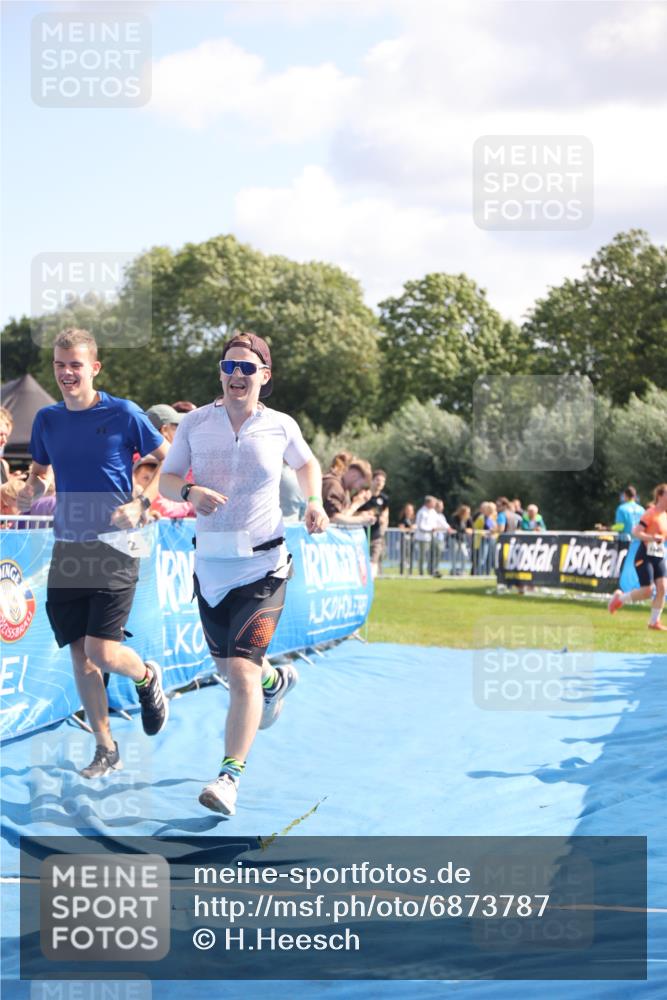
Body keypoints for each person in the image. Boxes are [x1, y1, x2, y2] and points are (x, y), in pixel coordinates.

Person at [159, 331, 329, 816]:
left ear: (264, 376)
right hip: (210, 567)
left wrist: (314, 503)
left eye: (247, 369)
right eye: (229, 366)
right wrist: (189, 494)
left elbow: (308, 463)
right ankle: (275, 683)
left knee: (239, 671)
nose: (237, 375)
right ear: (220, 373)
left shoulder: (279, 426)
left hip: (264, 565)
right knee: (229, 670)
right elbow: (167, 480)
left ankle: (229, 777)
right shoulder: (194, 423)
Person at [17, 328, 171, 778]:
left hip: (117, 546)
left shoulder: (123, 413)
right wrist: (31, 490)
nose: (67, 373)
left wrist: (142, 502)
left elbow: (172, 460)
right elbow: (41, 474)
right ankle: (106, 747)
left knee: (104, 653)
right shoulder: (46, 419)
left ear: (94, 368)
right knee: (80, 657)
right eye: (60, 365)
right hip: (68, 548)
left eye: (75, 365)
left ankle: (145, 676)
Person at [609, 483, 667, 631]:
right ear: (660, 496)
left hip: (658, 555)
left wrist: (659, 539)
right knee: (647, 591)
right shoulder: (650, 513)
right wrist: (652, 537)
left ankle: (654, 622)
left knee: (662, 588)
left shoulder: (665, 516)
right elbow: (636, 531)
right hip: (645, 555)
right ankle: (619, 599)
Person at [321, 457, 375, 526]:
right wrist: (361, 519)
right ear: (354, 475)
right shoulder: (333, 485)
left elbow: (343, 515)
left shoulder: (343, 488)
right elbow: (332, 518)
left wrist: (358, 513)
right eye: (361, 485)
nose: (358, 489)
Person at [357, 469, 390, 578]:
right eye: (377, 480)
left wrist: (384, 519)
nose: (380, 483)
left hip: (376, 534)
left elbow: (385, 512)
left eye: (382, 481)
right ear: (372, 480)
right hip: (361, 533)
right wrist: (364, 513)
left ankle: (370, 581)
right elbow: (353, 511)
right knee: (361, 559)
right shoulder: (363, 495)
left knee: (374, 559)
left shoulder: (384, 499)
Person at [414, 495, 440, 573]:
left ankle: (432, 569)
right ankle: (421, 572)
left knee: (436, 551)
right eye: (433, 502)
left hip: (432, 537)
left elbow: (439, 521)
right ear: (428, 503)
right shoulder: (422, 512)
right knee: (423, 555)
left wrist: (448, 527)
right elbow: (420, 526)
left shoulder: (433, 511)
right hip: (423, 537)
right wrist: (430, 529)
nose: (435, 504)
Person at [450, 504, 473, 575]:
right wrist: (465, 530)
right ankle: (453, 571)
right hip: (454, 539)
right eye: (467, 512)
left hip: (462, 540)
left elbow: (472, 527)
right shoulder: (455, 517)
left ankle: (463, 570)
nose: (469, 514)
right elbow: (456, 527)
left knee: (464, 555)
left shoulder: (468, 518)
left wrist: (469, 530)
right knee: (454, 556)